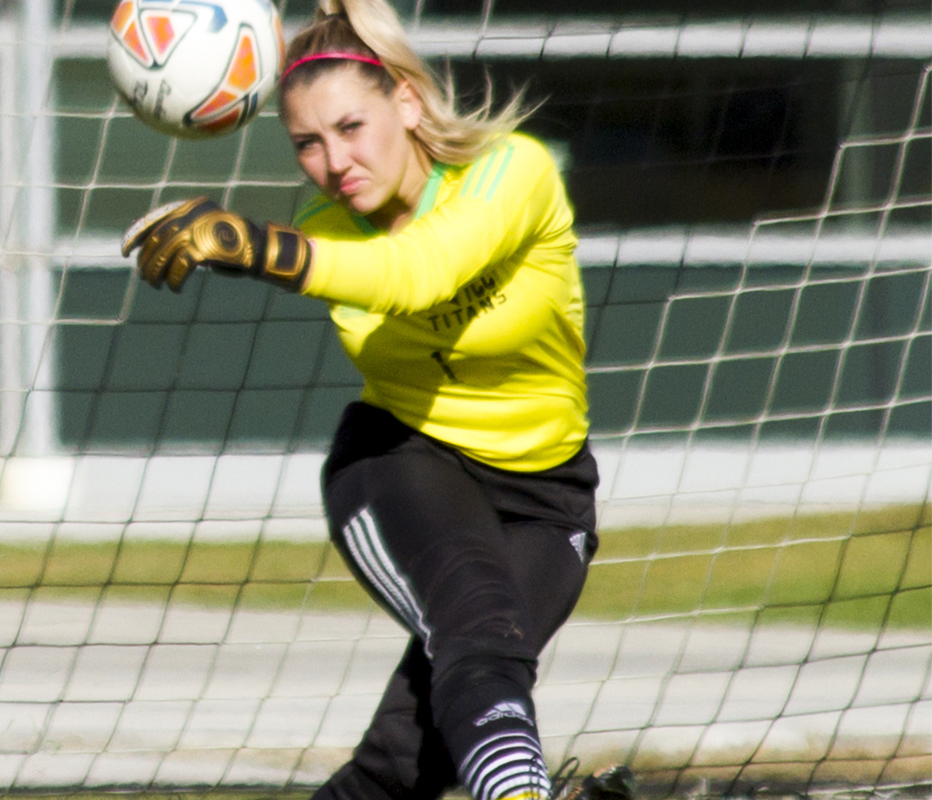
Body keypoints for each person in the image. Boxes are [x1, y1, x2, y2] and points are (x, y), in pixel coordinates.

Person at [121, 1, 635, 798]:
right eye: (307, 144)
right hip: (402, 464)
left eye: (351, 128)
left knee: (406, 761)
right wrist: (273, 246)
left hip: (548, 499)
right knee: (479, 635)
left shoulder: (513, 171)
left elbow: (422, 271)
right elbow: (386, 273)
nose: (334, 162)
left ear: (406, 100)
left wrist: (251, 245)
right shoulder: (331, 228)